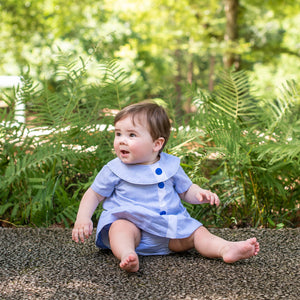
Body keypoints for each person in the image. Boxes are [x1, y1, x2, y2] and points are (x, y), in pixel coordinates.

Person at [72, 101, 260, 272]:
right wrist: (83, 218)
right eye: (118, 133)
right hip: (133, 228)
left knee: (197, 232)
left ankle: (225, 248)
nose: (122, 140)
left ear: (157, 144)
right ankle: (128, 255)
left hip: (170, 230)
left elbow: (186, 190)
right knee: (119, 228)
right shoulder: (114, 169)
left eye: (131, 135)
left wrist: (199, 194)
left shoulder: (170, 166)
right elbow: (94, 194)